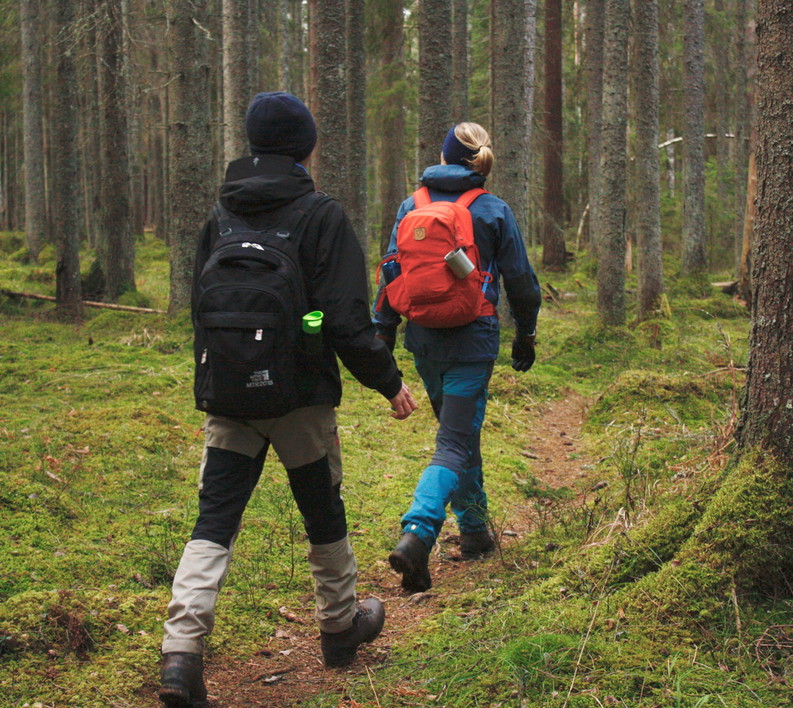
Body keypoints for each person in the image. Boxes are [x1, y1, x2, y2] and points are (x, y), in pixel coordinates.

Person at [159, 92, 416, 707]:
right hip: (300, 397)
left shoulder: (221, 215)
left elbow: (201, 308)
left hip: (228, 398)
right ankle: (339, 626)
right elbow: (348, 321)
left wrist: (221, 378)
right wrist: (389, 382)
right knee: (322, 511)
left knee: (214, 519)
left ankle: (180, 653)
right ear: (306, 146)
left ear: (251, 144)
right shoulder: (320, 215)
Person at [374, 122, 541, 593]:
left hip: (424, 340)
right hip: (473, 341)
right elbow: (522, 282)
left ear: (443, 158)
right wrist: (525, 334)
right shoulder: (492, 209)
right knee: (454, 440)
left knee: (458, 433)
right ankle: (418, 531)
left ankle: (473, 532)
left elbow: (392, 272)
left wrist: (382, 332)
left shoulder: (413, 206)